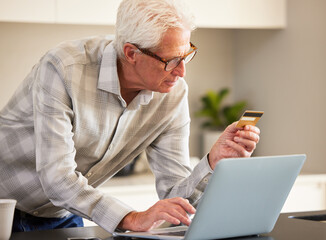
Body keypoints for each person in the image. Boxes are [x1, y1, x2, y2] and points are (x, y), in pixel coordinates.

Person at [0, 0, 260, 234]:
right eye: (171, 60)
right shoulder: (64, 69)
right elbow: (57, 178)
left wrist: (213, 162)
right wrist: (131, 218)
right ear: (132, 53)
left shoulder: (171, 94)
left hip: (59, 214)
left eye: (186, 55)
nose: (181, 72)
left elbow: (175, 197)